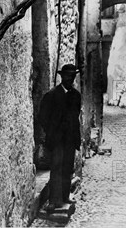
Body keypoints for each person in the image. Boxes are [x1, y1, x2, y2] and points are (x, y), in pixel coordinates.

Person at [39, 64, 81, 210]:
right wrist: (51, 132)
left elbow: (76, 118)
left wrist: (76, 138)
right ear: (62, 76)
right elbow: (42, 118)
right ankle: (53, 200)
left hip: (70, 140)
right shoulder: (51, 96)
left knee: (67, 168)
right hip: (57, 140)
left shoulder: (76, 96)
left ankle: (64, 197)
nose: (71, 79)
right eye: (68, 75)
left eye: (73, 76)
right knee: (56, 168)